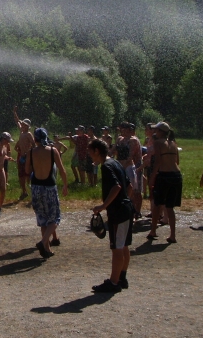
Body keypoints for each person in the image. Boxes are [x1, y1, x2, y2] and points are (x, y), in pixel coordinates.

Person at [88, 139, 134, 293]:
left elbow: (116, 187)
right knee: (124, 245)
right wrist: (125, 201)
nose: (90, 155)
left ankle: (114, 283)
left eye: (90, 152)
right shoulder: (115, 162)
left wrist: (103, 206)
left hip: (118, 212)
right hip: (126, 208)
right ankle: (122, 277)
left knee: (117, 248)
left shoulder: (106, 166)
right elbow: (130, 186)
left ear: (96, 151)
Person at [25, 128, 68, 259]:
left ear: (35, 139)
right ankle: (43, 242)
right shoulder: (53, 151)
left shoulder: (31, 152)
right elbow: (61, 169)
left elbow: (27, 170)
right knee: (54, 218)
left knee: (42, 218)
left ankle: (47, 249)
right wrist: (65, 185)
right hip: (49, 187)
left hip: (36, 187)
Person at [147, 122, 181, 243]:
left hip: (164, 175)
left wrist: (152, 177)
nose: (154, 132)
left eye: (156, 130)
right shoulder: (173, 143)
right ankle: (172, 235)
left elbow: (158, 162)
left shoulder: (158, 143)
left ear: (161, 132)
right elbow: (177, 161)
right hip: (176, 176)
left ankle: (153, 231)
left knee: (157, 204)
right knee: (170, 207)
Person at [115, 123, 142, 219]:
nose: (121, 131)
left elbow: (130, 156)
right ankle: (124, 211)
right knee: (121, 190)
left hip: (130, 166)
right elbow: (114, 150)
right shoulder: (120, 139)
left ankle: (135, 212)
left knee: (134, 191)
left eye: (123, 129)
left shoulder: (133, 140)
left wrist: (122, 166)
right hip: (120, 166)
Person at [13, 106, 36, 200]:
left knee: (29, 173)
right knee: (21, 174)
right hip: (21, 156)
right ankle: (24, 191)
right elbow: (17, 121)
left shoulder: (28, 134)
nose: (22, 126)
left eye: (24, 125)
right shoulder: (22, 132)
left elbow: (33, 144)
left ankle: (31, 189)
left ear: (28, 126)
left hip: (27, 156)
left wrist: (30, 153)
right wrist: (14, 112)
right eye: (22, 125)